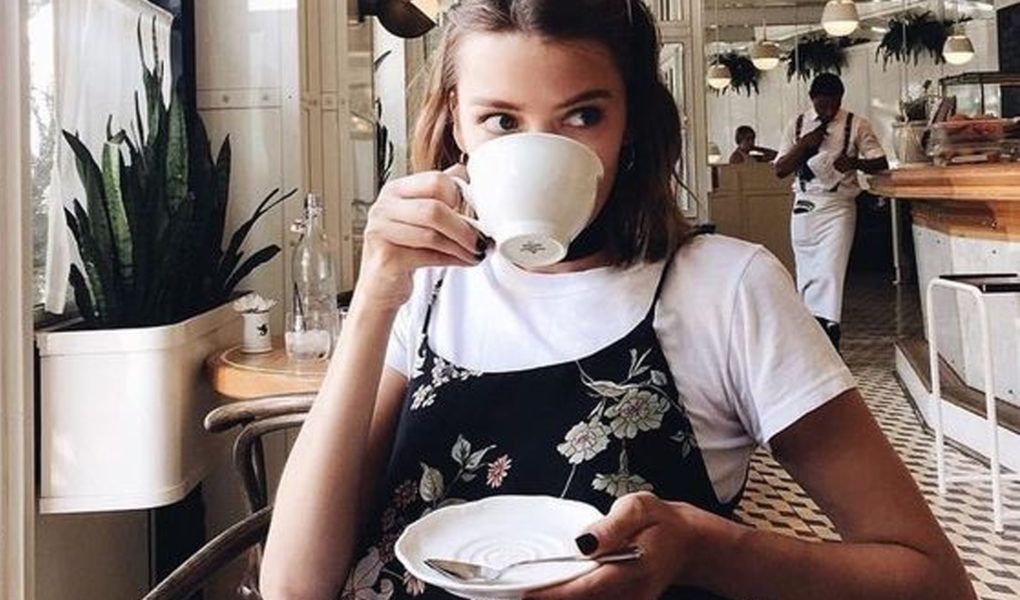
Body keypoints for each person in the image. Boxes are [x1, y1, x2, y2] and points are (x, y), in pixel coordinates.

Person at [261, 3, 971, 600]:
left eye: (582, 115)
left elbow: (933, 579)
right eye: (501, 121)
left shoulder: (725, 290)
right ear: (455, 124)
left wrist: (705, 551)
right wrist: (376, 294)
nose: (540, 148)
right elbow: (294, 585)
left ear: (631, 119)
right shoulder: (428, 286)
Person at [774, 74, 889, 350]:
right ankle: (809, 331)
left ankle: (829, 329)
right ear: (812, 99)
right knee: (806, 270)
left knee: (830, 270)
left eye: (833, 105)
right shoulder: (797, 124)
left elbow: (880, 161)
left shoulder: (856, 124)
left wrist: (855, 163)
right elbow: (780, 169)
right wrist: (804, 144)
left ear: (841, 99)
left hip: (838, 206)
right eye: (822, 105)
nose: (827, 111)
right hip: (805, 204)